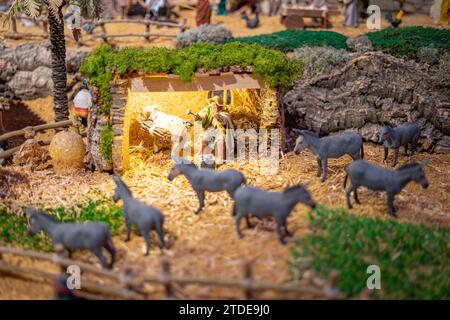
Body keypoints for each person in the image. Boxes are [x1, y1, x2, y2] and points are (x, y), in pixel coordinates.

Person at [191, 95, 234, 166]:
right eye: (213, 104)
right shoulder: (208, 109)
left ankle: (221, 160)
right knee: (204, 138)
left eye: (216, 105)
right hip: (210, 130)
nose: (214, 106)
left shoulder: (224, 112)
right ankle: (200, 157)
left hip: (220, 130)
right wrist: (197, 117)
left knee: (221, 140)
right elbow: (202, 115)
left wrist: (219, 117)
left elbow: (226, 119)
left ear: (219, 106)